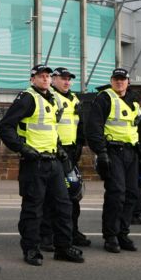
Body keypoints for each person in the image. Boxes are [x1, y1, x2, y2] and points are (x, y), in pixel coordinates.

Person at [0, 64, 85, 266]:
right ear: (32, 79)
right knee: (33, 209)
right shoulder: (27, 98)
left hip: (54, 161)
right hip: (34, 163)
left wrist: (59, 148)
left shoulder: (52, 99)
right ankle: (31, 249)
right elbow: (5, 127)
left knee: (63, 206)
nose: (45, 79)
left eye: (47, 76)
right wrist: (22, 148)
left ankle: (63, 247)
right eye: (41, 76)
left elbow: (51, 130)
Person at [84, 68, 141, 253]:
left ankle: (123, 233)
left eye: (123, 79)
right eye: (116, 79)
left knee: (132, 194)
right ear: (111, 81)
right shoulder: (104, 98)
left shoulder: (134, 102)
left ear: (128, 82)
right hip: (113, 151)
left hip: (132, 153)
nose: (119, 82)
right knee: (116, 194)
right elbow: (93, 127)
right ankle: (111, 236)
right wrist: (101, 152)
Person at [40, 67, 89, 249]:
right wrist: (59, 148)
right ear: (53, 80)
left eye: (69, 79)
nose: (66, 82)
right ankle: (46, 235)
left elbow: (80, 124)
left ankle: (71, 231)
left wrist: (79, 145)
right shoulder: (50, 97)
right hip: (55, 152)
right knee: (51, 196)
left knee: (73, 195)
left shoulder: (74, 98)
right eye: (63, 78)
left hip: (71, 152)